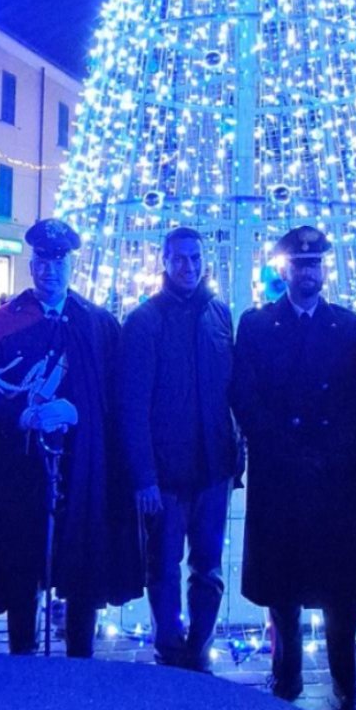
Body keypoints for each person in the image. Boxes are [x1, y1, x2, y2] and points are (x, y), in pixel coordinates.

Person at [0, 218, 142, 658]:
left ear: (71, 264)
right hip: (20, 470)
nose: (50, 270)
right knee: (22, 566)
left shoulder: (97, 324)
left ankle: (79, 659)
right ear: (31, 264)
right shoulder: (1, 324)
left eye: (58, 261)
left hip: (82, 470)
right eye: (42, 261)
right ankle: (22, 658)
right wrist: (20, 416)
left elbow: (116, 395)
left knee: (82, 561)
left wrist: (78, 411)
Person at [230, 226, 356, 710]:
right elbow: (244, 394)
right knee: (281, 581)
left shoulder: (349, 325)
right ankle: (285, 673)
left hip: (335, 474)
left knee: (341, 587)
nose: (307, 272)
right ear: (283, 269)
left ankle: (346, 681)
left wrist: (334, 449)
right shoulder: (256, 324)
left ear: (323, 270)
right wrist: (283, 446)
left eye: (314, 264)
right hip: (280, 470)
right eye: (298, 264)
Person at [122, 227, 239, 672]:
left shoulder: (219, 314)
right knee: (165, 568)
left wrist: (235, 454)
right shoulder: (145, 320)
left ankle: (200, 648)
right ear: (164, 262)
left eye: (194, 258)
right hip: (167, 475)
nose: (187, 267)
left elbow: (230, 389)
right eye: (179, 259)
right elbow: (132, 404)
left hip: (213, 469)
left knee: (208, 567)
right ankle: (169, 649)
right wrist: (144, 477)